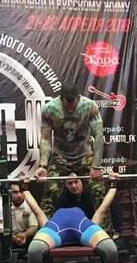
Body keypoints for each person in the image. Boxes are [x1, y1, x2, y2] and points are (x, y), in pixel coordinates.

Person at [21, 174, 120, 263]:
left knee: (110, 250)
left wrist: (114, 184)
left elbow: (103, 208)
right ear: (65, 186)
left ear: (81, 182)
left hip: (81, 228)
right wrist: (24, 187)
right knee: (34, 251)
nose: (73, 185)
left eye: (76, 181)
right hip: (57, 229)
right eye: (70, 183)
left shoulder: (86, 221)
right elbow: (37, 210)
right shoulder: (51, 222)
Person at [36, 84, 108, 229]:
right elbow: (45, 138)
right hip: (60, 157)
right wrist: (43, 165)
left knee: (99, 194)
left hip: (84, 156)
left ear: (78, 98)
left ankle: (107, 234)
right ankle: (44, 235)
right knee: (49, 197)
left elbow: (99, 136)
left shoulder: (89, 106)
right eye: (66, 105)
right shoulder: (50, 109)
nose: (70, 108)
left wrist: (96, 166)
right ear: (61, 98)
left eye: (73, 104)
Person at [0, 182, 37, 263]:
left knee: (39, 238)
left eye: (21, 192)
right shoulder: (0, 205)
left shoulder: (29, 203)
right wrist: (13, 238)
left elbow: (34, 226)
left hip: (25, 235)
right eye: (15, 192)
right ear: (9, 193)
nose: (19, 195)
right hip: (7, 236)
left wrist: (25, 235)